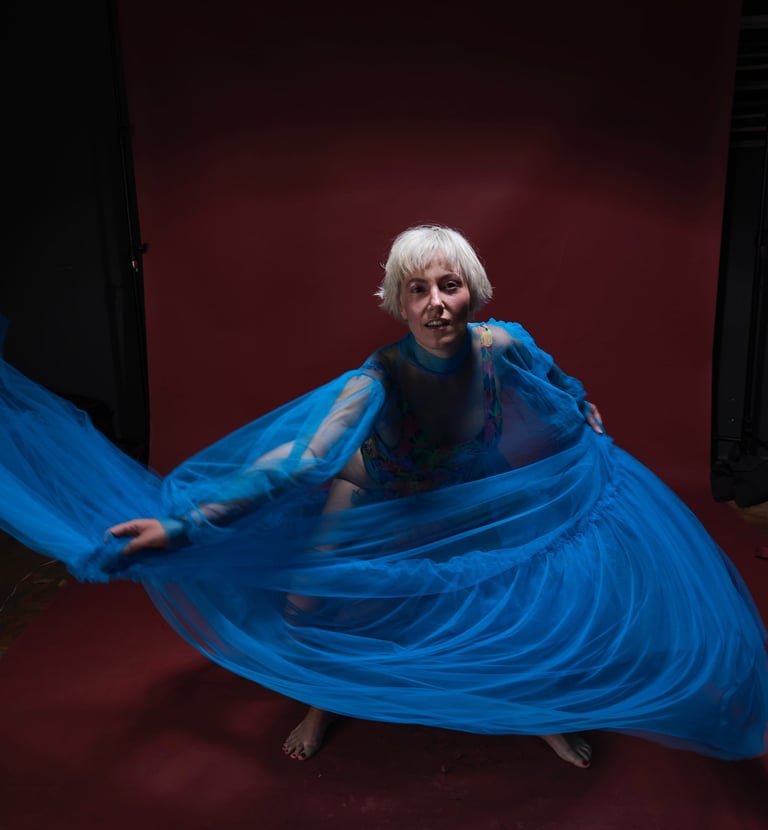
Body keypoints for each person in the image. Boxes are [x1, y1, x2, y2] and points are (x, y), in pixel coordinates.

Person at [0, 226, 766, 769]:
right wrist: (183, 526)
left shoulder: (503, 342)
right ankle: (324, 699)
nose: (436, 303)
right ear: (398, 301)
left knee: (512, 601)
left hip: (466, 492)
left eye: (449, 285)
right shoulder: (375, 381)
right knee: (309, 608)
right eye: (417, 289)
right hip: (375, 496)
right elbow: (294, 466)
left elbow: (552, 376)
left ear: (473, 292)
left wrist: (582, 402)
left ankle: (538, 713)